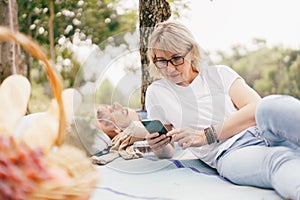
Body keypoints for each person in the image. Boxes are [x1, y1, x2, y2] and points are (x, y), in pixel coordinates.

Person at [145, 20, 300, 199]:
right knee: (280, 158)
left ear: (192, 52)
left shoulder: (219, 74)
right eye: (162, 61)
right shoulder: (157, 93)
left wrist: (206, 135)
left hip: (265, 132)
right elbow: (168, 150)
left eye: (177, 59)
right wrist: (158, 146)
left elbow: (255, 109)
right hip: (230, 153)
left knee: (270, 105)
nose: (170, 68)